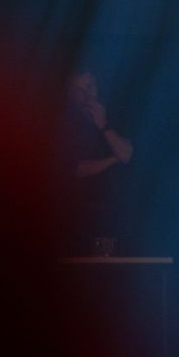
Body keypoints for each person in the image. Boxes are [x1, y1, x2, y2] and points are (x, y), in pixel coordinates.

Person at [62, 70, 134, 255]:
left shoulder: (115, 115)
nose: (86, 95)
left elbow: (126, 154)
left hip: (116, 214)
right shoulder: (67, 124)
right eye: (79, 90)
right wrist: (113, 159)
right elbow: (78, 169)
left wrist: (104, 126)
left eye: (89, 87)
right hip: (78, 215)